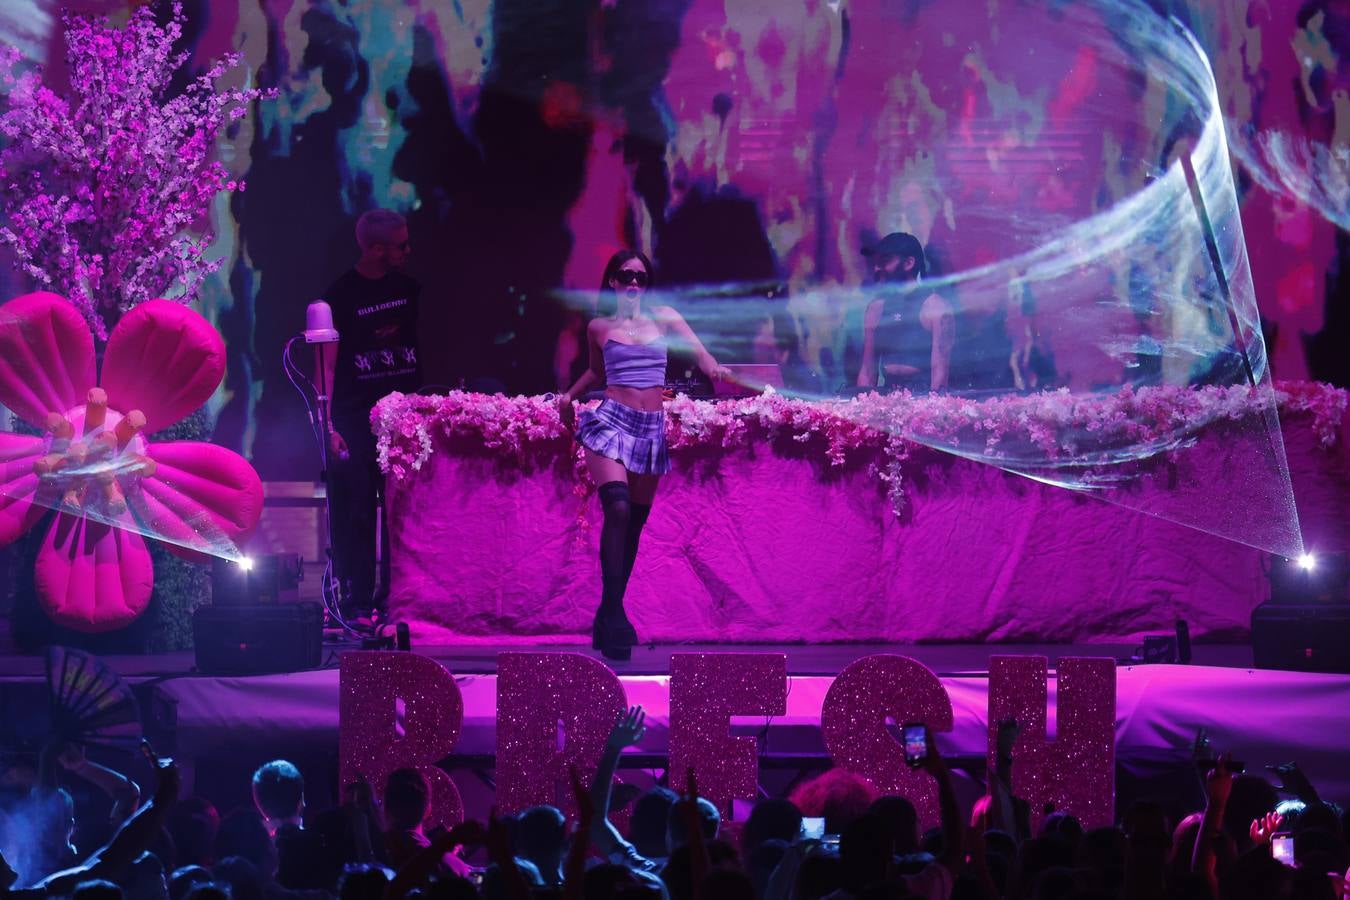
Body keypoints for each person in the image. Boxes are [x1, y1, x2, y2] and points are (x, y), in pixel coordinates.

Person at [558, 250, 729, 660]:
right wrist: (570, 394)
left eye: (641, 277)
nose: (634, 283)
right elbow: (598, 372)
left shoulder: (666, 317)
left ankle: (608, 612)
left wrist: (713, 366)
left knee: (632, 524)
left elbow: (701, 355)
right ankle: (615, 613)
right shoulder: (599, 327)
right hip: (611, 421)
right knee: (616, 510)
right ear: (613, 282)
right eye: (625, 276)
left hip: (649, 429)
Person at [319, 209, 422, 616]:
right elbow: (325, 365)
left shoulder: (410, 289)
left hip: (402, 417)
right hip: (355, 417)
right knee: (358, 509)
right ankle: (358, 601)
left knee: (402, 512)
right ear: (377, 249)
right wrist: (327, 424)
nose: (409, 251)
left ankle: (399, 599)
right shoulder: (340, 297)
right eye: (401, 245)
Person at [855, 232, 954, 393]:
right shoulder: (875, 308)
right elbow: (867, 371)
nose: (877, 268)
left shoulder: (936, 307)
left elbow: (940, 373)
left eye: (885, 261)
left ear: (908, 263)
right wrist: (859, 410)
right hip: (885, 397)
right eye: (876, 262)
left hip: (922, 398)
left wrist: (929, 412)